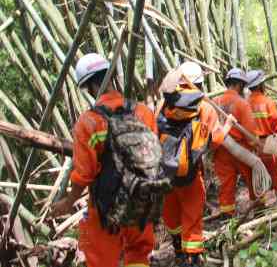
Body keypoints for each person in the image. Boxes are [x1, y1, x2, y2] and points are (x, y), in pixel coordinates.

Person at [50, 53, 156, 267]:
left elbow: (84, 174)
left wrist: (68, 202)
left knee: (100, 258)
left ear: (89, 87)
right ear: (113, 76)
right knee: (138, 253)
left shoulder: (88, 123)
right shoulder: (144, 113)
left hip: (106, 205)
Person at [158, 62, 233, 267]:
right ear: (199, 83)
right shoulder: (204, 107)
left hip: (165, 173)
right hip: (190, 172)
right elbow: (216, 142)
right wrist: (227, 125)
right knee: (192, 213)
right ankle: (192, 259)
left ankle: (178, 250)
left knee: (171, 212)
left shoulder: (163, 104)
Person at [213, 68, 260, 217]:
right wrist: (254, 147)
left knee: (226, 184)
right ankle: (259, 208)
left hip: (221, 149)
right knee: (253, 176)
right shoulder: (241, 103)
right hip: (241, 149)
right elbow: (251, 131)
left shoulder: (215, 102)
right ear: (239, 85)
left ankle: (228, 218)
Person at [246, 70, 277, 205]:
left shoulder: (245, 104)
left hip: (254, 144)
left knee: (259, 175)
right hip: (269, 143)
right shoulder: (267, 102)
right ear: (260, 85)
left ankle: (261, 207)